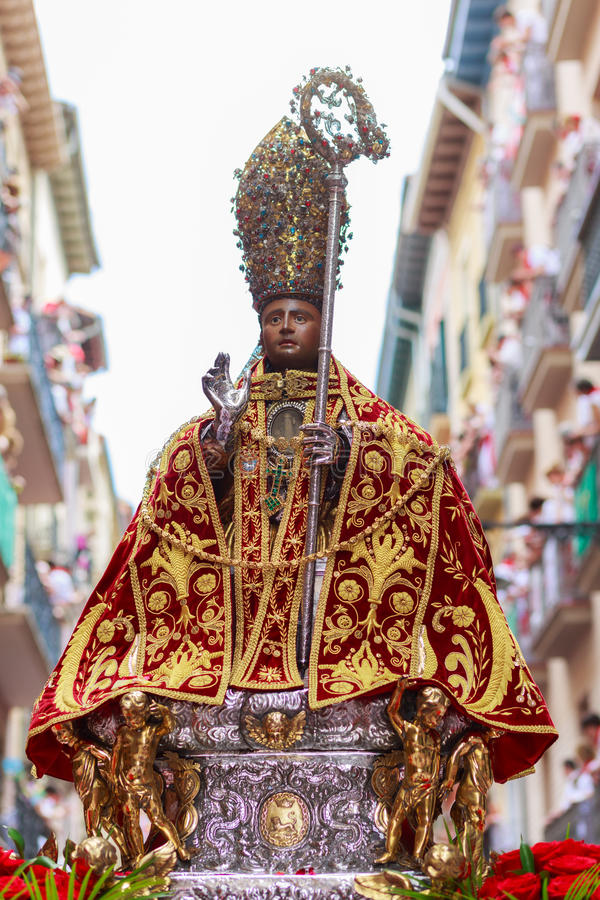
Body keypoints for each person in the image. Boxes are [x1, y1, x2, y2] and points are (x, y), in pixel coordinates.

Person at [26, 114, 556, 798]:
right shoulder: (225, 417)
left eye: (298, 315)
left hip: (324, 624)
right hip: (235, 622)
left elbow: (423, 471)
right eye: (272, 315)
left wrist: (349, 454)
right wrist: (214, 443)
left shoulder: (364, 419)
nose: (283, 326)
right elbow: (173, 499)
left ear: (321, 323)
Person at [375, 680, 450, 865]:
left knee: (425, 822)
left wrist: (440, 782)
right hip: (410, 785)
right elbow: (392, 712)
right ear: (424, 711)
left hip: (429, 787)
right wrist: (400, 689)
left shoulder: (436, 738)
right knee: (395, 819)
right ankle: (390, 852)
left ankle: (417, 855)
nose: (439, 721)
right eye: (437, 716)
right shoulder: (410, 731)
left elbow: (437, 762)